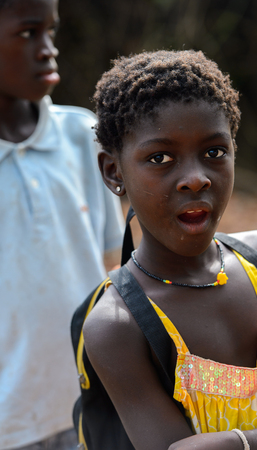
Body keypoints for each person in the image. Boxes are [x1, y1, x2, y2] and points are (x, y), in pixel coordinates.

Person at [83, 50, 257, 450]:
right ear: (115, 172)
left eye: (214, 152)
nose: (196, 179)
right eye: (160, 158)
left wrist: (237, 444)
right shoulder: (118, 327)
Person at [0, 0, 124, 448]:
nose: (48, 49)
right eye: (28, 33)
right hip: (11, 425)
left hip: (97, 405)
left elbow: (114, 271)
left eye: (51, 32)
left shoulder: (82, 138)